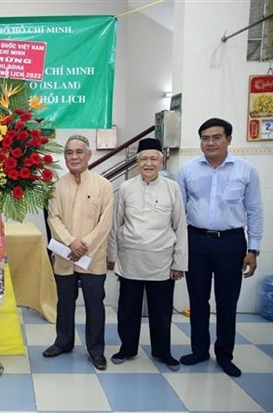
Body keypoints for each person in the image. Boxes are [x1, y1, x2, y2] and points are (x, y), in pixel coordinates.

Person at [178, 118, 263, 377]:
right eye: (205, 137)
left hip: (231, 243)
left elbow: (255, 211)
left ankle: (225, 355)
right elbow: (179, 212)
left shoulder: (246, 170)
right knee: (198, 300)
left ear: (229, 139)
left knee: (227, 302)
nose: (210, 142)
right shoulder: (188, 170)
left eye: (216, 137)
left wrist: (253, 248)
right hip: (196, 241)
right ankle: (200, 350)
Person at [107, 138, 187, 371]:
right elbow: (115, 224)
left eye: (153, 159)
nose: (148, 163)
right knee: (127, 310)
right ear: (136, 161)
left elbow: (180, 227)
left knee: (161, 312)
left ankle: (163, 352)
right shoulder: (125, 188)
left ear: (161, 161)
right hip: (130, 259)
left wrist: (179, 262)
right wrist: (112, 256)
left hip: (161, 261)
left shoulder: (172, 189)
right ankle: (127, 348)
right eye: (143, 159)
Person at [44, 135, 113, 370]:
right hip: (65, 255)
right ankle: (63, 342)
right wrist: (71, 242)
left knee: (95, 304)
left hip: (93, 257)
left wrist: (84, 244)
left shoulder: (103, 185)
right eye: (69, 152)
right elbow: (53, 217)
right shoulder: (56, 186)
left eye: (79, 152)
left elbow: (105, 222)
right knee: (64, 303)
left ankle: (96, 350)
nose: (74, 156)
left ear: (89, 155)